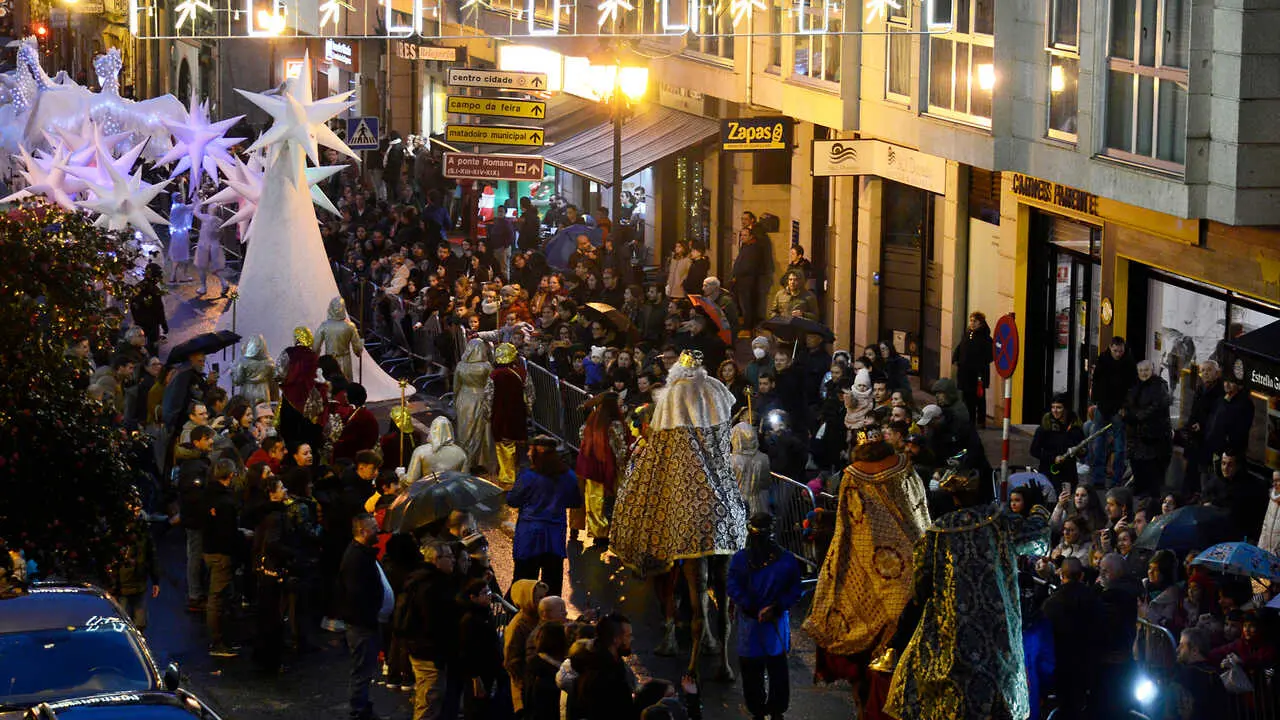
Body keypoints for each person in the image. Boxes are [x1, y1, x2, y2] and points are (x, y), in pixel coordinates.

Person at [884, 471, 1050, 720]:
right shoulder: (999, 522)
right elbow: (1038, 539)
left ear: (953, 497)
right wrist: (1038, 509)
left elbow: (920, 586)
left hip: (950, 634)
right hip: (996, 635)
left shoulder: (937, 532)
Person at [805, 428, 931, 684]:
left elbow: (847, 521)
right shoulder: (903, 466)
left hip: (866, 553)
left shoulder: (852, 475)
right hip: (910, 551)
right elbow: (918, 505)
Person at [727, 513, 804, 720]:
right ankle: (763, 710)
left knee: (773, 668)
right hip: (754, 623)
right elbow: (733, 586)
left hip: (771, 623)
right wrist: (757, 607)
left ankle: (770, 709)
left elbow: (794, 589)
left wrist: (774, 608)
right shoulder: (743, 559)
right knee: (758, 670)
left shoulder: (785, 561)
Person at [508, 436, 583, 597]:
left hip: (530, 536)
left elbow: (513, 500)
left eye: (530, 450)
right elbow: (575, 501)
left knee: (524, 583)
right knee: (552, 585)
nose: (528, 453)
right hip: (554, 538)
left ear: (537, 452)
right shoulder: (568, 476)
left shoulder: (528, 476)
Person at [339, 513, 394, 720]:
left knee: (364, 669)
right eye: (373, 527)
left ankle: (362, 706)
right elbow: (357, 596)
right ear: (362, 531)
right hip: (363, 625)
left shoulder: (361, 554)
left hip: (367, 622)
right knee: (361, 671)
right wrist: (372, 617)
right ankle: (358, 711)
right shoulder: (356, 558)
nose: (377, 531)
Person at [400, 542, 461, 720]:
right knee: (429, 702)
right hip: (429, 654)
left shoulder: (423, 580)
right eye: (449, 557)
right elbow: (435, 624)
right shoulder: (432, 587)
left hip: (425, 651)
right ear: (436, 560)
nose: (453, 560)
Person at [1041, 557, 1104, 719]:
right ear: (1081, 576)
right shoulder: (1094, 600)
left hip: (1061, 664)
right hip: (1088, 664)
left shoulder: (1051, 604)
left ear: (1061, 575)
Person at [203, 458, 243, 657]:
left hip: (209, 550)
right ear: (231, 475)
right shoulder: (226, 501)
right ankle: (217, 643)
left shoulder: (208, 494)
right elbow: (228, 532)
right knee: (217, 599)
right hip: (221, 553)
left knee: (220, 597)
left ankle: (221, 639)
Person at [1089, 336, 1139, 486]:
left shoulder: (1128, 363)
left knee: (1119, 448)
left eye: (1120, 351)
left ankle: (1116, 479)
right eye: (1116, 350)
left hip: (1118, 408)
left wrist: (1125, 406)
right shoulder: (1103, 360)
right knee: (1099, 444)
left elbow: (1132, 388)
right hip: (1103, 406)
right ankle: (1098, 479)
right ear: (1110, 347)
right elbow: (1096, 382)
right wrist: (1097, 401)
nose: (1118, 354)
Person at [109, 498, 161, 631]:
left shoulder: (141, 528)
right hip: (124, 585)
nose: (137, 512)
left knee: (137, 623)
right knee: (127, 622)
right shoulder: (121, 530)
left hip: (137, 582)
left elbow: (150, 554)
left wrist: (155, 579)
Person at [1123, 360, 1173, 497]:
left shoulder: (1160, 385)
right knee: (1138, 466)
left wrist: (1138, 416)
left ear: (1152, 370)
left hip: (1154, 435)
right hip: (1136, 436)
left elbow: (1158, 406)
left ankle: (1153, 498)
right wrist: (1126, 414)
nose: (1144, 373)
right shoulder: (1134, 386)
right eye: (1141, 370)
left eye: (1146, 370)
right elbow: (1128, 404)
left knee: (1154, 469)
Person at [456, 577, 504, 719]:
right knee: (476, 709)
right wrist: (475, 677)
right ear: (473, 597)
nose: (489, 594)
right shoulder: (470, 620)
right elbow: (467, 651)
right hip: (478, 673)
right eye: (484, 592)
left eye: (489, 591)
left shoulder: (484, 613)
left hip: (488, 670)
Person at [573, 612, 636, 719]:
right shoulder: (601, 677)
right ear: (616, 639)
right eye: (628, 636)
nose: (631, 639)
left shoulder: (610, 663)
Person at [487, 342, 534, 486]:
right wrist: (528, 409)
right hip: (518, 414)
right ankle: (520, 472)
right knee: (518, 444)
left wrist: (487, 414)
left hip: (500, 415)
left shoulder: (494, 375)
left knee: (503, 445)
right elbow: (530, 394)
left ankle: (507, 476)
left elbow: (488, 397)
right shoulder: (522, 373)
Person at [504, 579, 550, 717]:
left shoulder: (540, 618)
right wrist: (523, 686)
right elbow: (511, 661)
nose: (544, 601)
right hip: (525, 687)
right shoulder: (518, 626)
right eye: (539, 598)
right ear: (527, 599)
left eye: (545, 596)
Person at [276, 326, 325, 453]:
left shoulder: (288, 353)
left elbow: (279, 373)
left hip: (290, 397)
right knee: (308, 432)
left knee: (289, 431)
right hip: (310, 399)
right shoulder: (314, 356)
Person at [454, 339, 497, 472]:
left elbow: (456, 386)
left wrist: (456, 399)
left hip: (464, 398)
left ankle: (465, 460)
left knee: (464, 430)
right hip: (480, 397)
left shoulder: (461, 365)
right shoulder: (486, 366)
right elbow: (491, 386)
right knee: (481, 431)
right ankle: (481, 460)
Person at [1030, 393, 1087, 488]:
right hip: (1049, 473)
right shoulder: (1045, 427)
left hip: (1069, 475)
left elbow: (1084, 451)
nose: (1055, 411)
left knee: (1067, 500)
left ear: (1066, 409)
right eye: (1053, 407)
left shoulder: (1075, 428)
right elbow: (1034, 450)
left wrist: (1080, 451)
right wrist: (1053, 458)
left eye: (1059, 407)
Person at [732, 211, 772, 334]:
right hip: (741, 279)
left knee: (748, 303)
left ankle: (748, 327)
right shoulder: (746, 245)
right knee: (742, 302)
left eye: (746, 219)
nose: (743, 221)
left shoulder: (755, 243)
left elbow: (751, 264)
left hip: (748, 279)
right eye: (742, 218)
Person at [952, 311, 993, 429]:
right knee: (967, 397)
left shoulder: (986, 338)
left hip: (978, 374)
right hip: (965, 373)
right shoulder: (967, 334)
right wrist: (956, 358)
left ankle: (980, 421)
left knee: (979, 398)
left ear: (981, 323)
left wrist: (979, 365)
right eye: (971, 320)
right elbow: (960, 347)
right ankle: (969, 420)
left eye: (975, 321)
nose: (972, 323)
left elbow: (990, 355)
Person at [405, 416, 470, 484]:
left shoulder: (421, 451)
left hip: (427, 491)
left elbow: (410, 481)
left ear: (432, 429)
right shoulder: (461, 453)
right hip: (452, 490)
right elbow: (465, 480)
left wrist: (401, 475)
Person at [315, 296, 367, 381]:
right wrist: (361, 343)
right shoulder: (350, 326)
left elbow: (315, 347)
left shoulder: (324, 326)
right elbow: (357, 350)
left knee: (330, 387)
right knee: (345, 386)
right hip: (345, 361)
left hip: (329, 362)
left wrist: (315, 360)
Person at [730, 421, 771, 516]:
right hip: (759, 501)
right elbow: (765, 484)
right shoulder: (763, 458)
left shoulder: (731, 460)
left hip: (737, 500)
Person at [332, 383, 380, 463]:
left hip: (356, 459)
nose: (345, 396)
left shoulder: (361, 416)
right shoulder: (360, 413)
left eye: (346, 394)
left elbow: (347, 441)